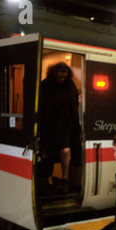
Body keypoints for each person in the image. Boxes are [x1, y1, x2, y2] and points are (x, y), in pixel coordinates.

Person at [38, 62, 82, 194]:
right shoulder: (46, 85)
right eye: (59, 77)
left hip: (66, 123)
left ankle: (65, 178)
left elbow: (73, 103)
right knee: (49, 153)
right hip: (49, 123)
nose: (61, 79)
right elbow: (41, 105)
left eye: (64, 76)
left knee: (66, 151)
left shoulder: (70, 85)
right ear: (54, 74)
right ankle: (49, 180)